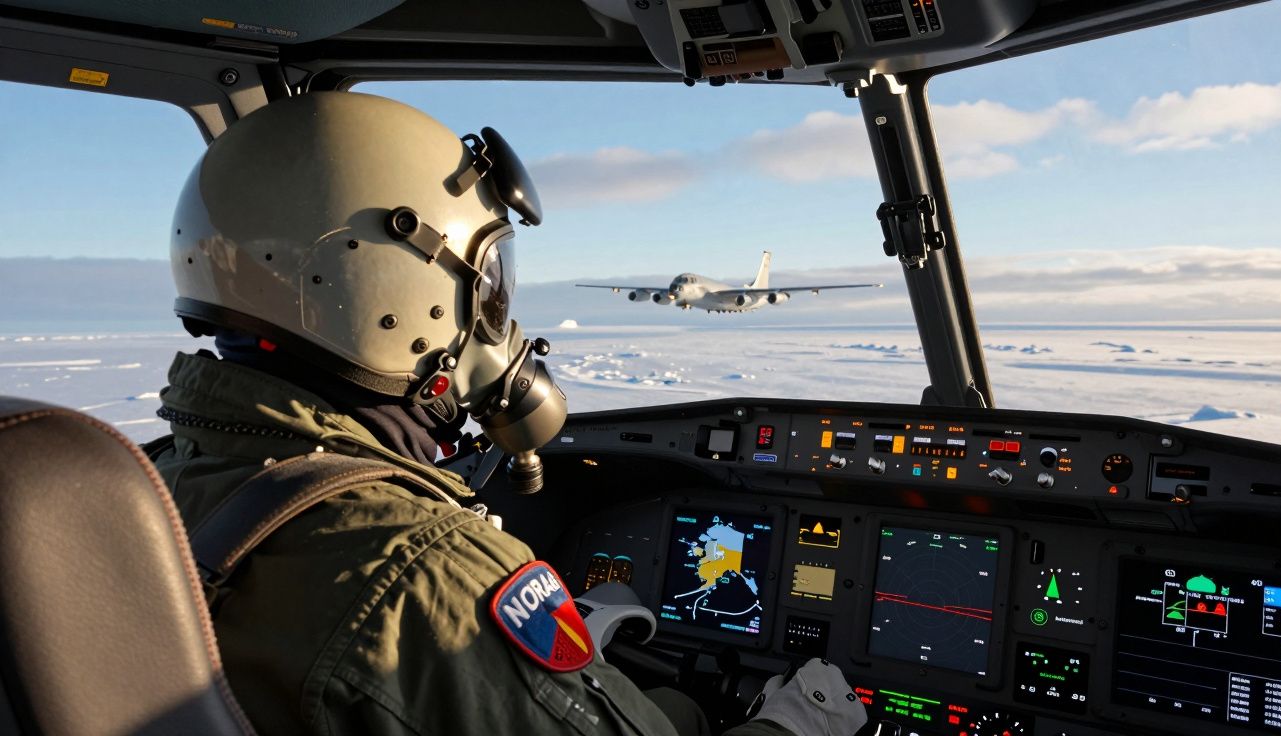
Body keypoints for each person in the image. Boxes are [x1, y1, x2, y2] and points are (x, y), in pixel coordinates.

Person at [151, 90, 866, 736]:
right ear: (395, 295)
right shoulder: (423, 576)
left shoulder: (148, 483)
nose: (499, 323)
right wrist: (793, 724)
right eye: (487, 287)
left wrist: (547, 668)